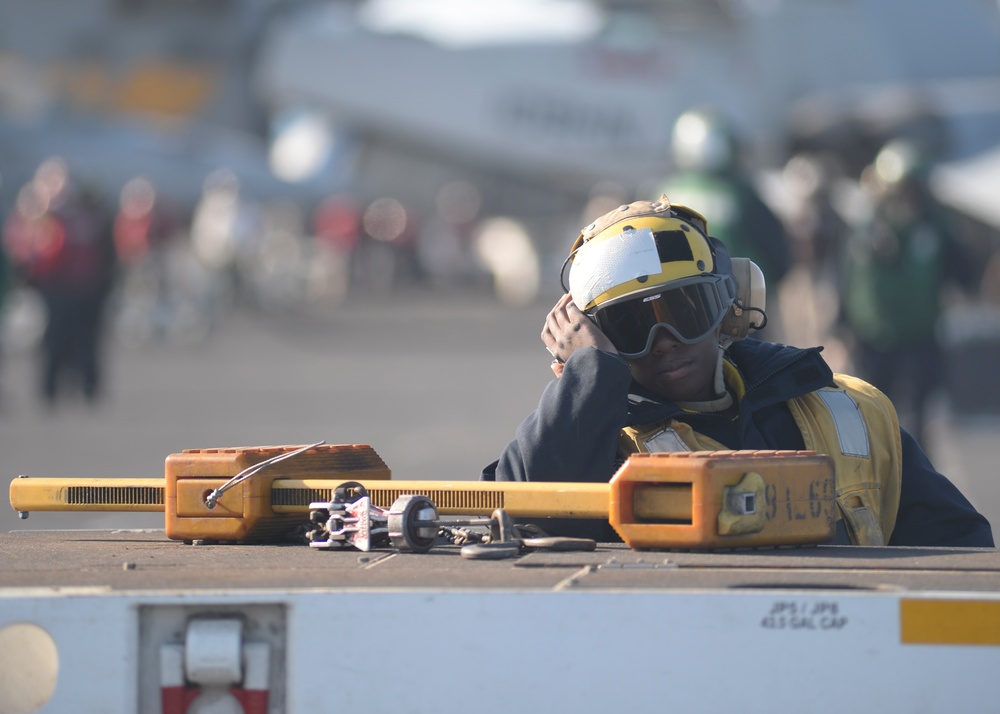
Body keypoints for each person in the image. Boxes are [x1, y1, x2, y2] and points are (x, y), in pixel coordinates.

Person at [482, 195, 993, 548]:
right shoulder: (596, 447)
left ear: (731, 305)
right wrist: (589, 376)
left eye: (683, 313)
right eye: (631, 327)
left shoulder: (854, 412)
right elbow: (526, 517)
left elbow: (963, 554)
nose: (665, 345)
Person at [840, 139, 976, 453]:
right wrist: (841, 323)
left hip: (919, 336)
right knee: (872, 412)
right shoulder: (863, 229)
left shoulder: (934, 227)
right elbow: (845, 277)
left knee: (915, 416)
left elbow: (961, 270)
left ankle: (915, 480)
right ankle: (877, 476)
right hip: (872, 338)